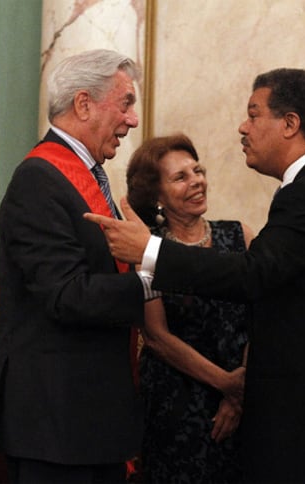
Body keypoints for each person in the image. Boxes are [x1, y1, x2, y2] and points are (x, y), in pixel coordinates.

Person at [84, 68, 305, 483]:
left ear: (290, 124)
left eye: (254, 114)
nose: (243, 128)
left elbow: (253, 274)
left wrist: (149, 250)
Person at [0, 49, 148, 484]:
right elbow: (67, 295)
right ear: (83, 104)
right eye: (126, 103)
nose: (133, 120)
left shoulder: (83, 173)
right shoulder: (40, 180)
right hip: (55, 425)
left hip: (87, 421)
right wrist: (151, 280)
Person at [125, 134, 254, 483]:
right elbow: (157, 337)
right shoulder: (147, 250)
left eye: (197, 170)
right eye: (180, 177)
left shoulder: (241, 236)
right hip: (176, 403)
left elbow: (267, 315)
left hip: (246, 399)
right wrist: (227, 385)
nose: (197, 180)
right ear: (157, 197)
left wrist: (239, 392)